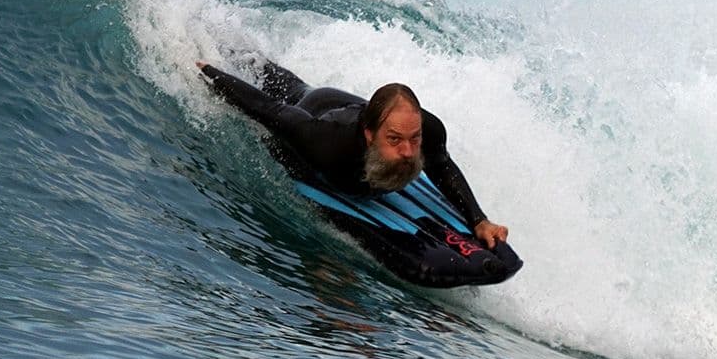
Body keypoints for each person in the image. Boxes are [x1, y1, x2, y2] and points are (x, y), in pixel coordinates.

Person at [196, 56, 510, 249]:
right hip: (316, 106)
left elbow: (441, 164)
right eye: (395, 139)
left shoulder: (425, 131)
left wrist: (479, 220)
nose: (407, 150)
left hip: (362, 109)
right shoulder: (327, 144)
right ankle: (229, 48)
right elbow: (266, 108)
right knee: (280, 85)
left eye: (414, 139)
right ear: (370, 135)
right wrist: (206, 71)